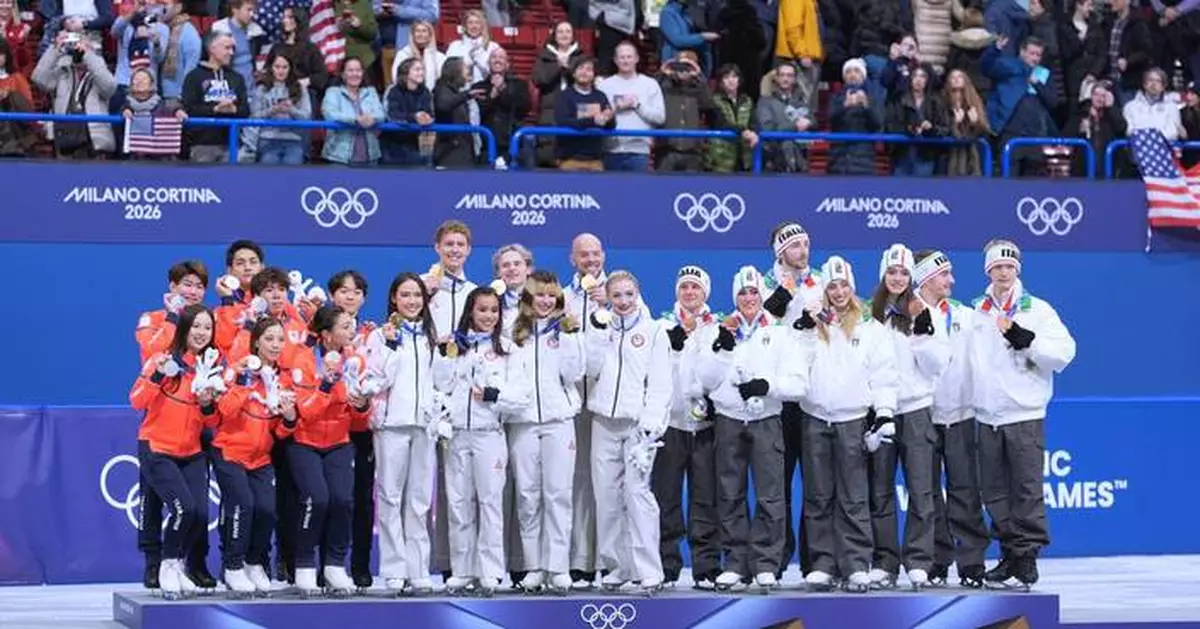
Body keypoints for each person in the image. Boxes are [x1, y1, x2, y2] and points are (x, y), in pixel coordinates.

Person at [970, 240, 1075, 590]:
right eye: (997, 267)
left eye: (1009, 266)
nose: (1003, 272)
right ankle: (1009, 554)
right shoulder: (977, 312)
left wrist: (1026, 340)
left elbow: (1064, 353)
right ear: (988, 271)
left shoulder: (1038, 310)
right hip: (987, 415)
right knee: (995, 491)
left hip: (1024, 414)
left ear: (1018, 269)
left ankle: (1027, 557)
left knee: (1026, 489)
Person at [694, 266, 806, 592]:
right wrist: (722, 349)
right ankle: (735, 563)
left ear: (762, 295)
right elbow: (705, 380)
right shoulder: (719, 329)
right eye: (742, 293)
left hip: (767, 421)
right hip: (729, 420)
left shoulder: (781, 332)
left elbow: (799, 384)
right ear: (735, 297)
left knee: (771, 495)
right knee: (730, 494)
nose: (748, 299)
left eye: (753, 292)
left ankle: (767, 564)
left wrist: (767, 385)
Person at [796, 257, 897, 593]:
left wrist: (884, 412)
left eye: (843, 285)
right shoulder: (812, 323)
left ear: (852, 287)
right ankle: (823, 564)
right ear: (824, 290)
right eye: (832, 286)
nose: (838, 292)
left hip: (852, 419)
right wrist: (806, 326)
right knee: (818, 496)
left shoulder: (871, 328)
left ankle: (855, 564)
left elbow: (884, 374)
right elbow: (796, 362)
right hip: (814, 418)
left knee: (854, 496)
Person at [433, 287, 532, 596]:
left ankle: (490, 570)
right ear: (470, 312)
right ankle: (463, 570)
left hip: (490, 435)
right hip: (458, 434)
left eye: (493, 310)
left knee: (490, 503)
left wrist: (493, 396)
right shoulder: (455, 346)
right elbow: (439, 384)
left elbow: (522, 397)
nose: (488, 316)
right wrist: (447, 355)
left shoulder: (507, 349)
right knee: (459, 504)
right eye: (482, 310)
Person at [866, 244, 949, 590]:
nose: (898, 278)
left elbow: (936, 366)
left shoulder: (925, 311)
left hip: (915, 410)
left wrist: (922, 332)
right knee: (879, 491)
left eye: (903, 272)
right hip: (879, 411)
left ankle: (918, 560)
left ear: (911, 276)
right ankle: (885, 562)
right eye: (892, 272)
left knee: (921, 489)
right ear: (883, 275)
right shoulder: (868, 314)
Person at [584, 270, 671, 594]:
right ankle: (618, 567)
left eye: (628, 295)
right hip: (603, 422)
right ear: (608, 296)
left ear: (638, 295)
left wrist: (650, 429)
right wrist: (595, 333)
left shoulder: (654, 331)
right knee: (606, 498)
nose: (623, 301)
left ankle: (649, 570)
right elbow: (588, 370)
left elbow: (661, 384)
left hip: (637, 427)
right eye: (616, 295)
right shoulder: (600, 329)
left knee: (637, 495)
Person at [129, 304, 223, 599]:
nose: (201, 332)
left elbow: (213, 421)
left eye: (207, 327)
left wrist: (208, 402)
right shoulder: (163, 359)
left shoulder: (211, 366)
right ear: (184, 327)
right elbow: (137, 400)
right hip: (157, 447)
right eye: (196, 326)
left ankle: (178, 565)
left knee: (197, 514)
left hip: (192, 451)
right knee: (183, 508)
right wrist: (157, 376)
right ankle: (167, 565)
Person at [911, 250, 989, 588]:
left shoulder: (966, 316)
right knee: (926, 494)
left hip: (960, 414)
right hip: (921, 416)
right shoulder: (906, 315)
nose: (952, 281)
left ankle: (972, 564)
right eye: (945, 275)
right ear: (926, 279)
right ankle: (934, 562)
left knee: (965, 491)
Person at [508, 270, 585, 593]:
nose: (545, 300)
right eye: (539, 294)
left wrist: (569, 333)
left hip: (558, 420)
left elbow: (575, 372)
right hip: (522, 421)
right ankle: (534, 566)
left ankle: (558, 566)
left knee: (558, 495)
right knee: (527, 496)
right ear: (528, 297)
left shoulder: (567, 330)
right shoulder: (513, 330)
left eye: (551, 295)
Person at [133, 260, 209, 590]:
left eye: (198, 286)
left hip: (195, 428)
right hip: (160, 417)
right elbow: (154, 352)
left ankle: (186, 564)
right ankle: (156, 564)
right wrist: (174, 318)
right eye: (186, 284)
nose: (192, 291)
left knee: (196, 508)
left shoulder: (207, 325)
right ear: (172, 286)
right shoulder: (153, 319)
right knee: (157, 500)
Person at [288, 305, 372, 597]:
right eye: (345, 327)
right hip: (305, 443)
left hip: (339, 443)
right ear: (326, 334)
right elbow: (307, 413)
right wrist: (327, 383)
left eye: (353, 325)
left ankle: (336, 565)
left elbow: (360, 421)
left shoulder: (355, 361)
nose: (352, 331)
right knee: (317, 500)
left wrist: (362, 405)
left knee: (342, 501)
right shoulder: (303, 360)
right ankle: (304, 566)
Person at [214, 318, 297, 596]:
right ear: (256, 342)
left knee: (265, 510)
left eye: (280, 340)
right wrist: (244, 383)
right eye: (269, 339)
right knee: (242, 505)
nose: (275, 345)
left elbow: (280, 431)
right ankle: (233, 566)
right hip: (229, 450)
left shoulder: (282, 379)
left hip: (260, 457)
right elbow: (224, 411)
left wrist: (288, 418)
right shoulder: (236, 370)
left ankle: (253, 563)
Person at [367, 272, 438, 595]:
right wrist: (392, 346)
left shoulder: (432, 336)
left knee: (420, 501)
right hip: (391, 425)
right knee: (390, 498)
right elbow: (377, 380)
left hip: (424, 426)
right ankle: (394, 569)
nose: (412, 301)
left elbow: (442, 381)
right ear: (394, 298)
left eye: (417, 296)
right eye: (405, 295)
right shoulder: (380, 336)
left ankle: (419, 568)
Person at [651, 265, 721, 590]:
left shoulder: (718, 327)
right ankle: (666, 565)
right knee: (666, 497)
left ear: (705, 293)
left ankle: (706, 566)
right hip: (672, 424)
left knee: (706, 497)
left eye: (695, 287)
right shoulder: (661, 327)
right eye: (684, 287)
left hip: (707, 426)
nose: (690, 292)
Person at [761, 221, 823, 580]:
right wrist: (784, 294)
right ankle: (777, 557)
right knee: (777, 482)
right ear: (780, 252)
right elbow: (762, 323)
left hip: (814, 395)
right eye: (796, 246)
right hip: (778, 398)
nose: (804, 251)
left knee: (816, 481)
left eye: (806, 244)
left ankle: (815, 561)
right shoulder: (762, 285)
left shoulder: (820, 283)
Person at [424, 220, 477, 582]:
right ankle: (434, 562)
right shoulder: (422, 290)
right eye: (448, 244)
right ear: (437, 248)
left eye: (460, 244)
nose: (454, 250)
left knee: (464, 489)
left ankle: (467, 565)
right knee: (427, 491)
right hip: (428, 396)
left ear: (469, 250)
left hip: (468, 400)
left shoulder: (478, 293)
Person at [563, 233, 607, 589]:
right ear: (572, 259)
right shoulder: (563, 298)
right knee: (577, 479)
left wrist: (610, 304)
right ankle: (580, 560)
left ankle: (609, 559)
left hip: (609, 399)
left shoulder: (623, 292)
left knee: (608, 481)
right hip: (574, 397)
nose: (590, 260)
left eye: (595, 253)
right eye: (583, 255)